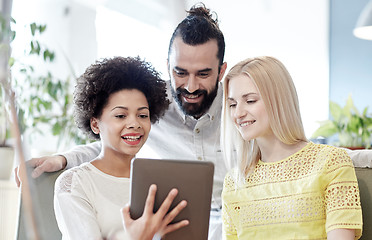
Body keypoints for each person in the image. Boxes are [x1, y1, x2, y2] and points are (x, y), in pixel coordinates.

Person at [17, 4, 228, 239]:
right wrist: (64, 159)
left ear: (221, 72)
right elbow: (110, 144)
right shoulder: (77, 184)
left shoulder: (240, 107)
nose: (190, 86)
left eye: (203, 74)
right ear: (168, 67)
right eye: (180, 72)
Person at [220, 56, 363, 239]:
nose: (238, 113)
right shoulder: (234, 182)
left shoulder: (331, 163)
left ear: (278, 100)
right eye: (232, 104)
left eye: (250, 101)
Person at [53, 56, 189, 239]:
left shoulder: (158, 182)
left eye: (142, 115)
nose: (134, 123)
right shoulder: (75, 184)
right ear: (95, 124)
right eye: (120, 116)